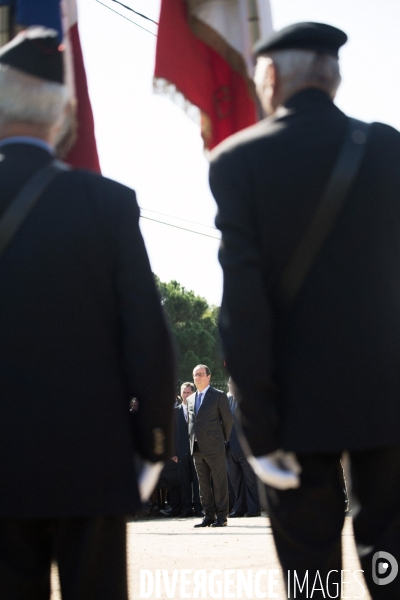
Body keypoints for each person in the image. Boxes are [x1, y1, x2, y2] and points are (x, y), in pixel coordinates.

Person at [209, 21, 400, 599]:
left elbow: (243, 307)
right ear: (333, 77)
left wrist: (259, 430)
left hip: (294, 413)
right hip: (388, 401)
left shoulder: (237, 161)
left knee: (312, 579)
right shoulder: (389, 148)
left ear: (270, 77)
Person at [0, 27, 175, 600]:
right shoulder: (108, 204)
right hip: (90, 462)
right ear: (63, 116)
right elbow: (148, 338)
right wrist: (150, 446)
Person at [188, 365, 233, 528]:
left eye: (200, 374)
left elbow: (227, 421)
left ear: (209, 377)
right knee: (203, 485)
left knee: (220, 483)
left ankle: (222, 516)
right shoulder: (191, 399)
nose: (197, 377)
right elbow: (191, 423)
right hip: (197, 448)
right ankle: (209, 515)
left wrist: (222, 439)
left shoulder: (219, 396)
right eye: (195, 375)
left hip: (215, 447)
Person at [226, 379, 261, 518]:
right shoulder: (225, 401)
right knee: (235, 482)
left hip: (246, 448)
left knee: (250, 481)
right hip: (229, 448)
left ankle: (254, 509)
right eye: (230, 384)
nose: (232, 387)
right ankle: (239, 508)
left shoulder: (248, 401)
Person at [171, 382, 203, 518]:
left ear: (193, 393)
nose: (186, 395)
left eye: (188, 392)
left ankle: (198, 507)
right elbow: (171, 433)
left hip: (196, 450)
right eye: (184, 392)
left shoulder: (198, 409)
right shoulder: (175, 412)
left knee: (198, 482)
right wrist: (172, 453)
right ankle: (187, 508)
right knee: (184, 482)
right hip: (181, 452)